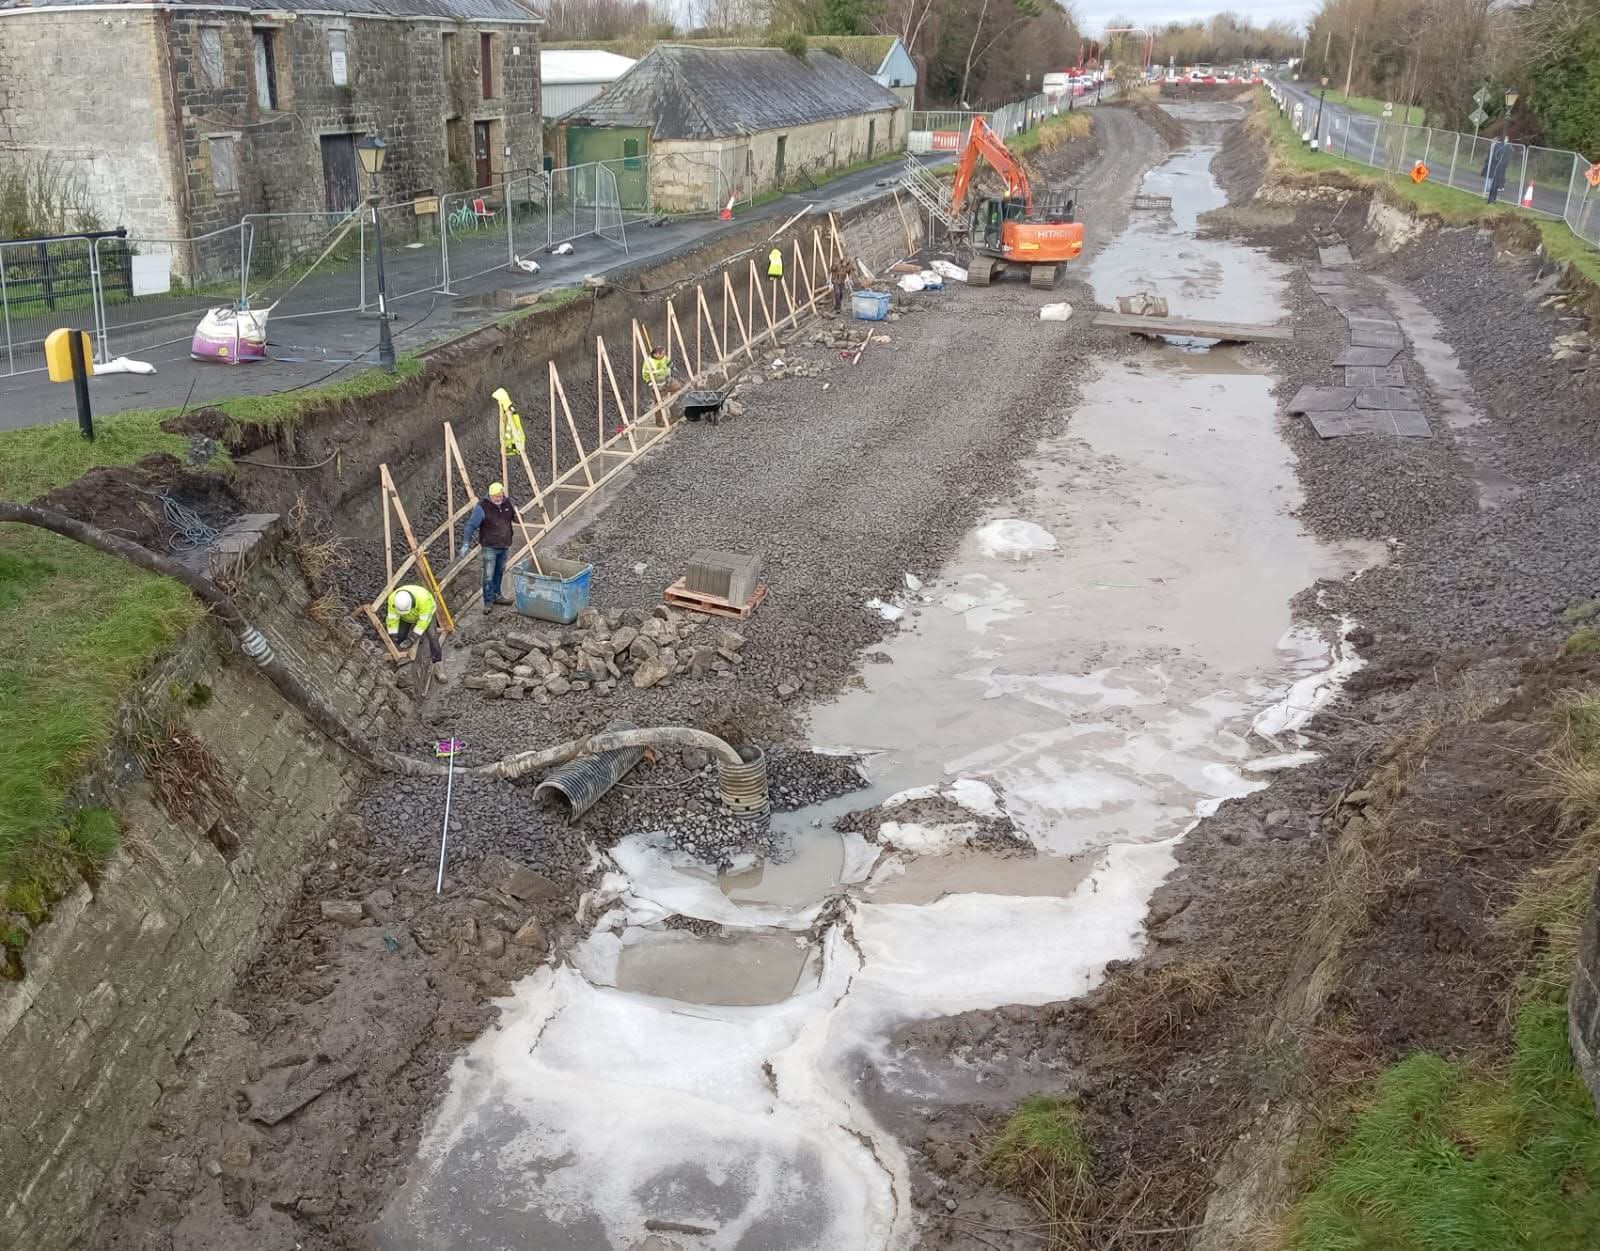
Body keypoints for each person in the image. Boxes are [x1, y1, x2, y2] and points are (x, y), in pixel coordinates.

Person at [460, 482, 517, 611]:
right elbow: (471, 526)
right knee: (488, 575)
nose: (499, 499)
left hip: (505, 544)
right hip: (490, 546)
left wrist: (518, 517)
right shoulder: (482, 507)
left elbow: (513, 517)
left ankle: (497, 595)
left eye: (500, 495)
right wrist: (465, 543)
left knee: (499, 572)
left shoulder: (506, 503)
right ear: (490, 496)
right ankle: (488, 601)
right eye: (496, 496)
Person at [387, 584, 445, 681]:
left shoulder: (424, 600)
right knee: (400, 635)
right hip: (406, 617)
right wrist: (393, 634)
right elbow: (392, 618)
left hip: (426, 616)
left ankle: (438, 666)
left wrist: (412, 638)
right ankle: (397, 660)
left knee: (433, 637)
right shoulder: (393, 599)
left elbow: (423, 623)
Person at [493, 387, 525, 459]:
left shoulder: (511, 413)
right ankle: (511, 447)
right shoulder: (510, 412)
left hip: (513, 444)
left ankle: (512, 447)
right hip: (510, 445)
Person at [1483, 136, 1512, 205]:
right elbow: (1495, 155)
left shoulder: (1507, 147)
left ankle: (1495, 194)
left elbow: (1507, 156)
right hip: (1496, 166)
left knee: (1498, 179)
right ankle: (1491, 199)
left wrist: (1503, 162)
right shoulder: (1498, 146)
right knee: (1493, 181)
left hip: (1501, 166)